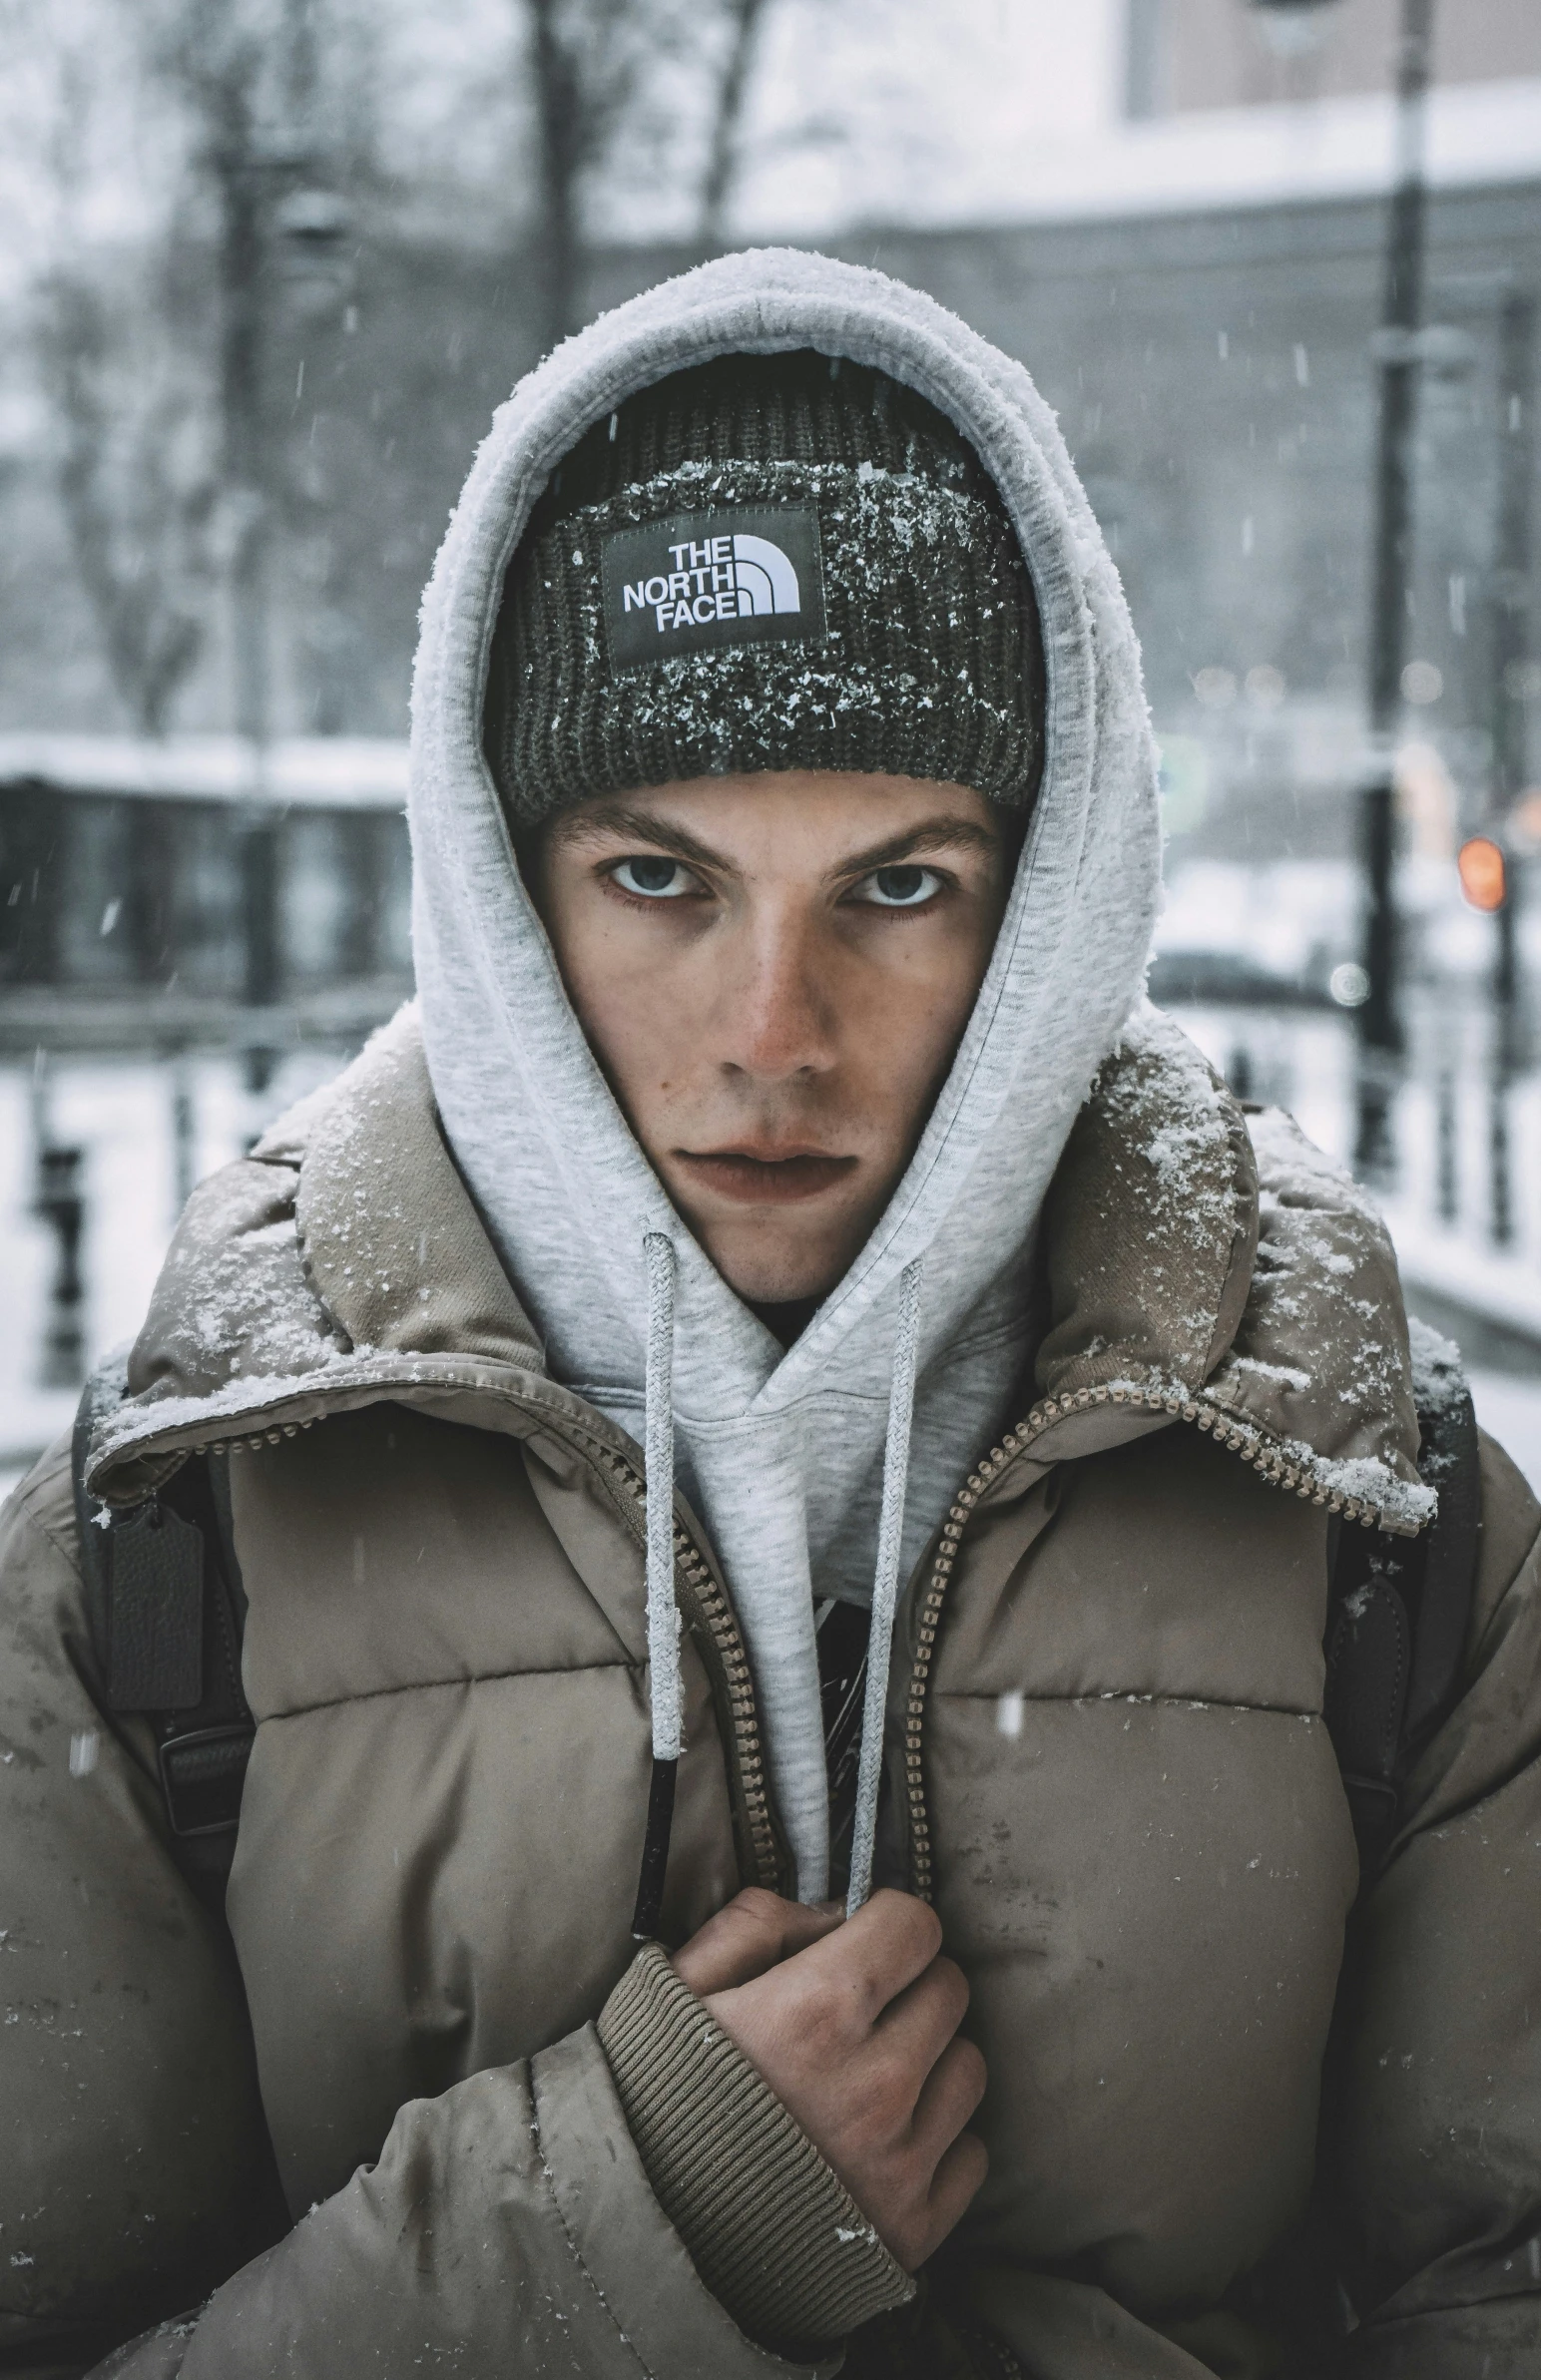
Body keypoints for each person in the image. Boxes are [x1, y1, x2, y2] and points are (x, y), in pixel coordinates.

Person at [1, 247, 1537, 2380]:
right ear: (503, 882)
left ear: (1050, 894)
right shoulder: (161, 1537)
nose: (769, 1034)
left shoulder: (1383, 1514)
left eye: (897, 887)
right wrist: (628, 2222)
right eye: (659, 879)